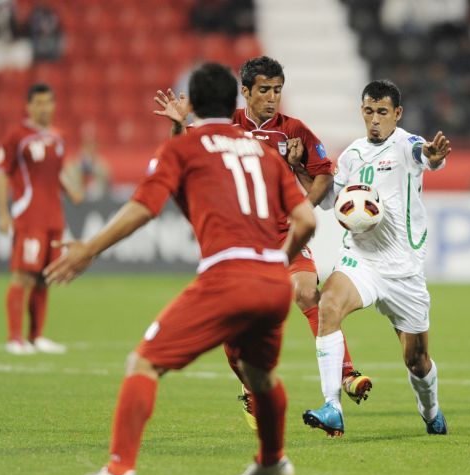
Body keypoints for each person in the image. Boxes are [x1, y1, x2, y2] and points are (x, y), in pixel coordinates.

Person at [47, 62, 316, 475]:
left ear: (193, 102)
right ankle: (272, 461)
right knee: (260, 376)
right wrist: (277, 259)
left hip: (228, 276)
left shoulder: (184, 148)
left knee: (143, 363)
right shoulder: (263, 153)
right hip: (272, 281)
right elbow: (306, 220)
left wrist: (89, 249)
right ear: (235, 101)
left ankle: (119, 471)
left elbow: (145, 206)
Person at [153, 56, 372, 431]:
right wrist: (177, 125)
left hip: (284, 235)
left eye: (277, 90)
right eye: (265, 90)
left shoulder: (293, 130)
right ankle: (249, 389)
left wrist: (302, 207)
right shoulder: (226, 126)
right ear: (246, 91)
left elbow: (323, 175)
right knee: (234, 327)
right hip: (241, 239)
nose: (272, 97)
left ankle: (347, 373)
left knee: (307, 292)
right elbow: (181, 155)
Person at [298, 79, 451, 436]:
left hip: (403, 271)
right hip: (361, 261)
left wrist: (434, 156)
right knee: (328, 306)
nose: (375, 119)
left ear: (397, 113)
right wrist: (300, 169)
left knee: (417, 361)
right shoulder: (351, 154)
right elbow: (328, 200)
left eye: (383, 112)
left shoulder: (407, 145)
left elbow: (425, 154)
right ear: (362, 112)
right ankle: (332, 406)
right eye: (369, 111)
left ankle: (431, 411)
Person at [0, 83, 83, 355]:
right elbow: (1, 174)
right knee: (23, 276)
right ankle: (14, 338)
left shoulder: (58, 137)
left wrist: (71, 190)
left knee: (45, 277)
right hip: (29, 216)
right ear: (29, 106)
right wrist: (3, 213)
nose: (44, 108)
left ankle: (36, 336)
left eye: (48, 102)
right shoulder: (17, 136)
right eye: (39, 103)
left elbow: (57, 173)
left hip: (54, 218)